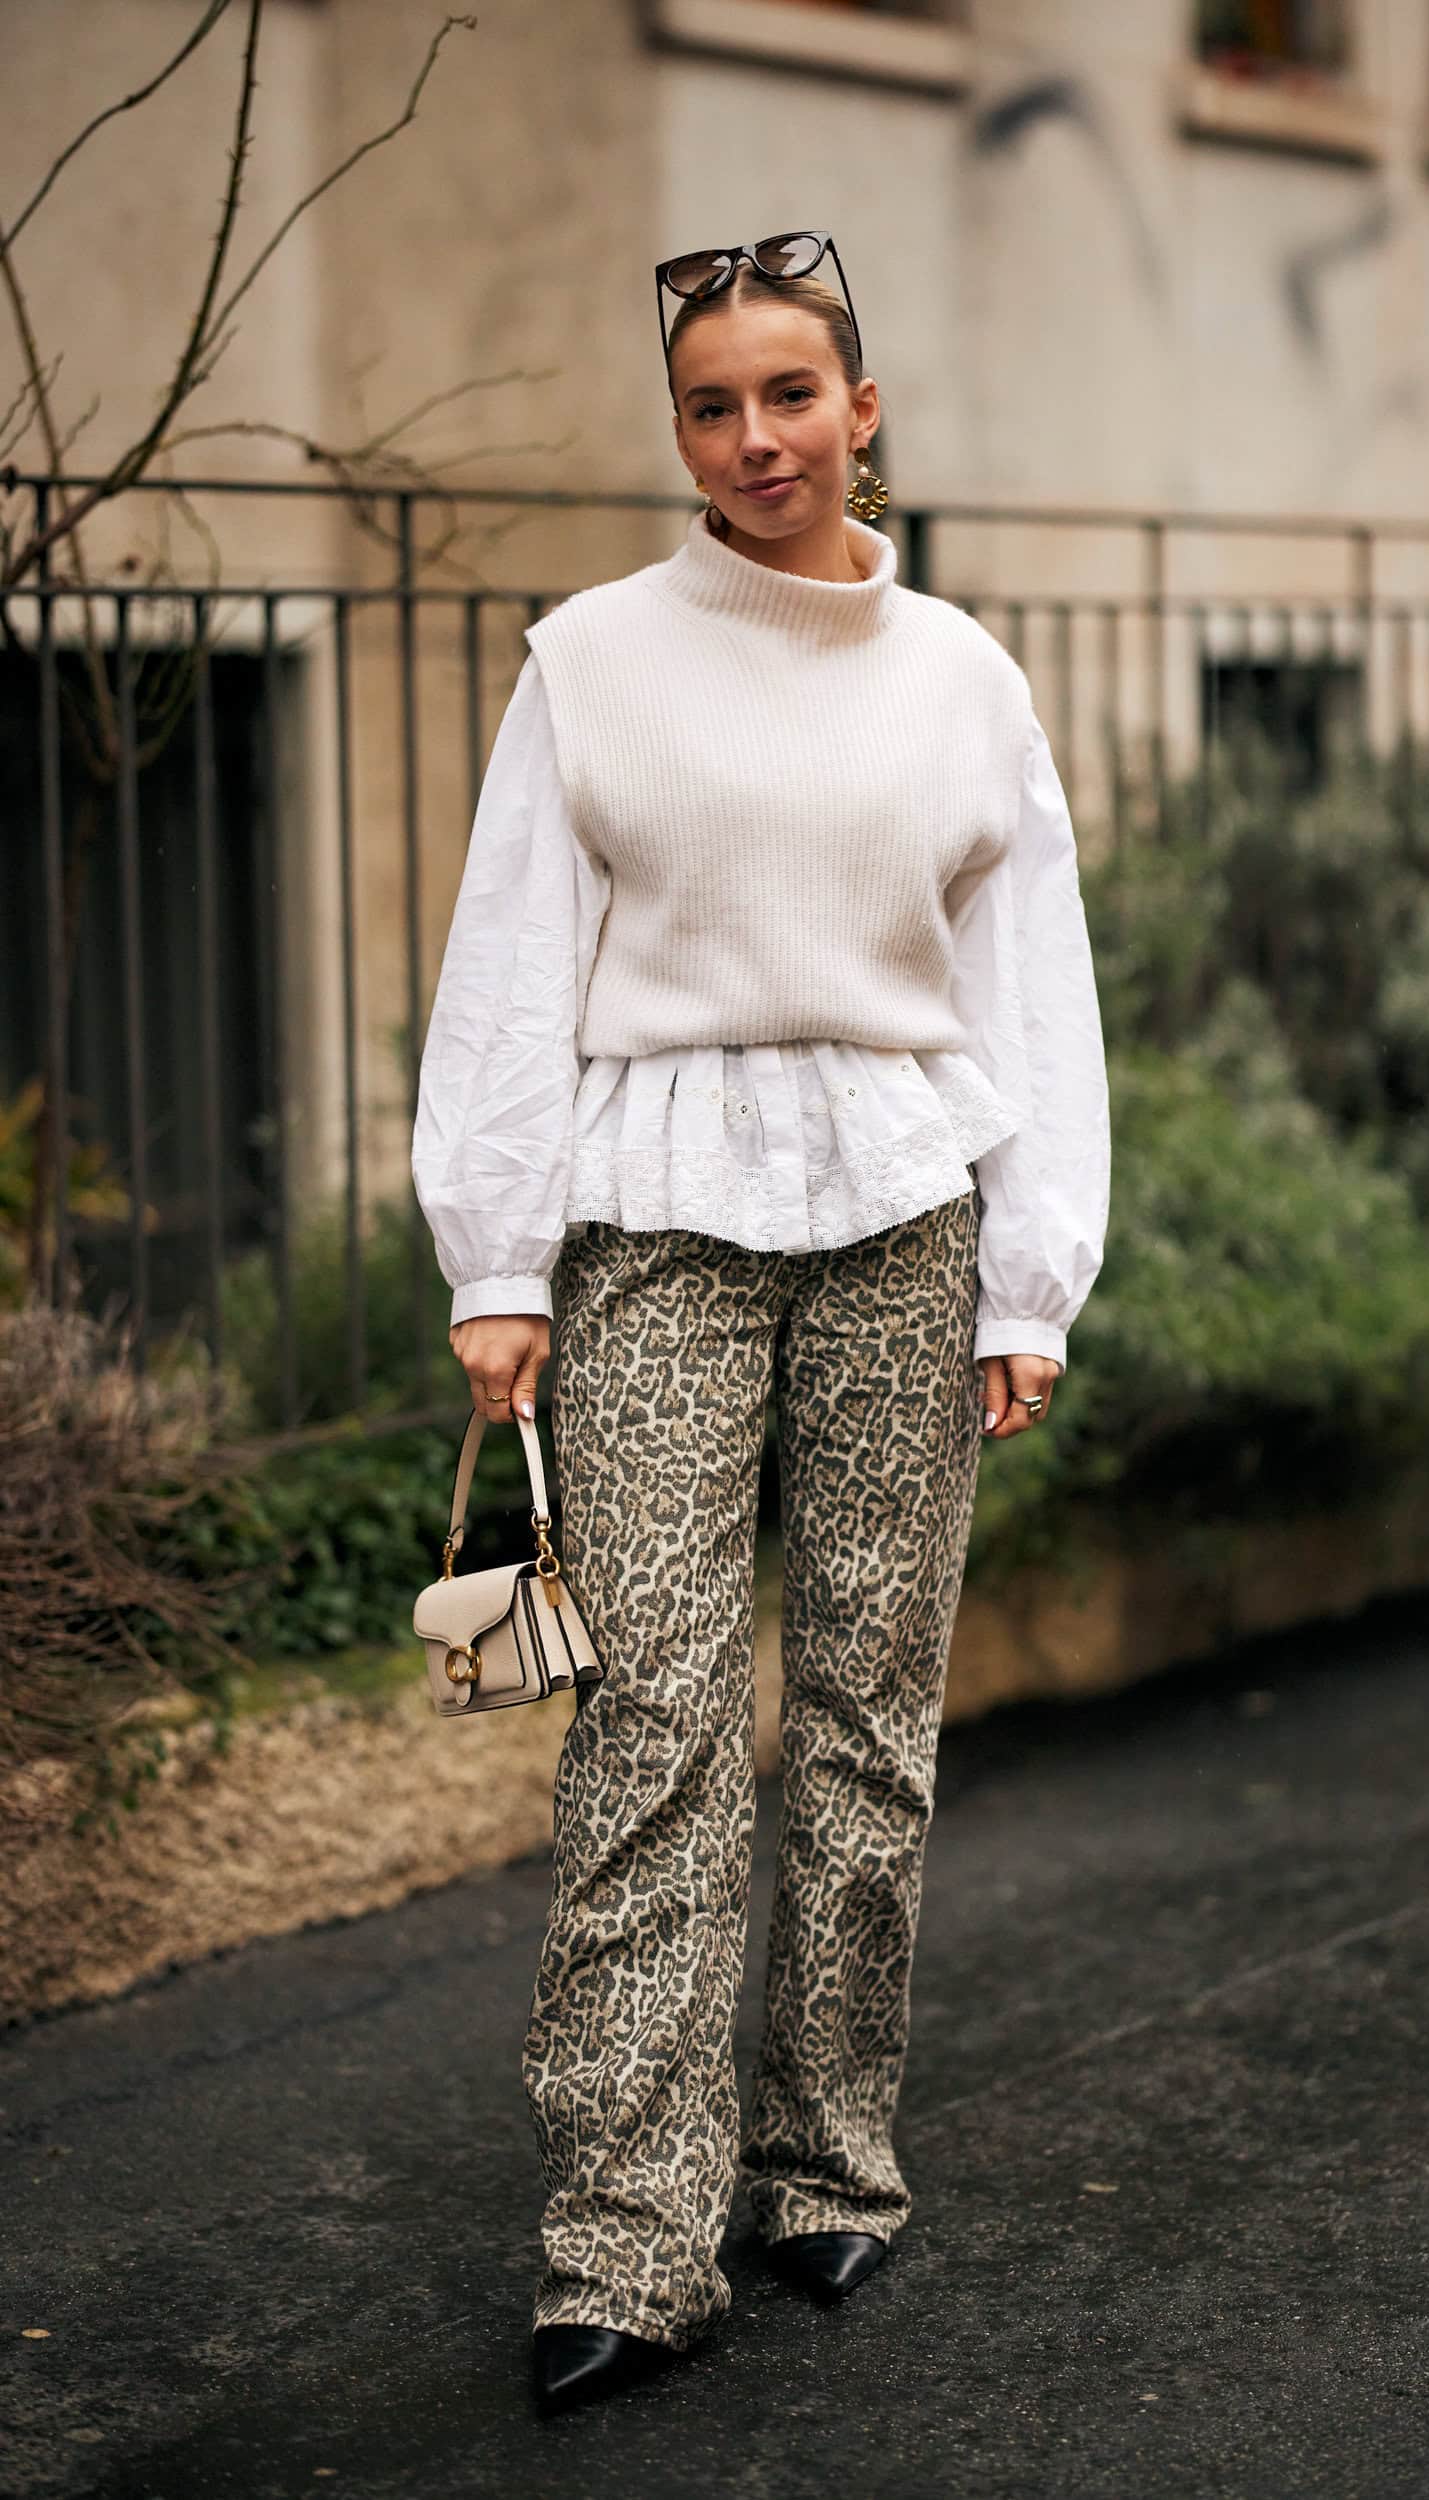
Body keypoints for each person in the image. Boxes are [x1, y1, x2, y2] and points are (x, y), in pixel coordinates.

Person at [410, 231, 1110, 2416]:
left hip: (907, 1218)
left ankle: (824, 2162)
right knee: (654, 1719)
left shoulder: (963, 677)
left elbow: (1028, 987)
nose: (753, 438)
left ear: (860, 407)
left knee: (873, 1708)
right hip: (654, 1229)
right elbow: (513, 958)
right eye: (711, 405)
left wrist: (1031, 1274)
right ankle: (629, 2237)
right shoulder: (593, 660)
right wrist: (499, 1259)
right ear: (682, 430)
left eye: (790, 394)